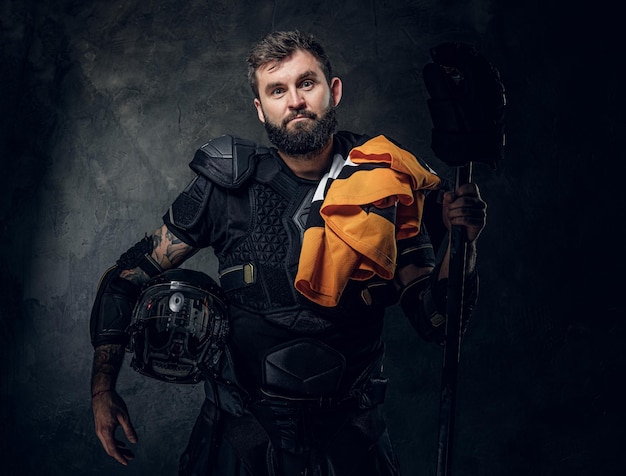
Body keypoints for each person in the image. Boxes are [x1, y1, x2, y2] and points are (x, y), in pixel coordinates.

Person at [89, 30, 487, 476]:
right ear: (261, 108)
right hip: (240, 436)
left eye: (306, 83)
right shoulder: (225, 187)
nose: (294, 100)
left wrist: (462, 240)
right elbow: (127, 277)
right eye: (277, 90)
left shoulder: (386, 182)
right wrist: (102, 389)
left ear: (332, 92)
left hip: (350, 440)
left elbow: (438, 321)